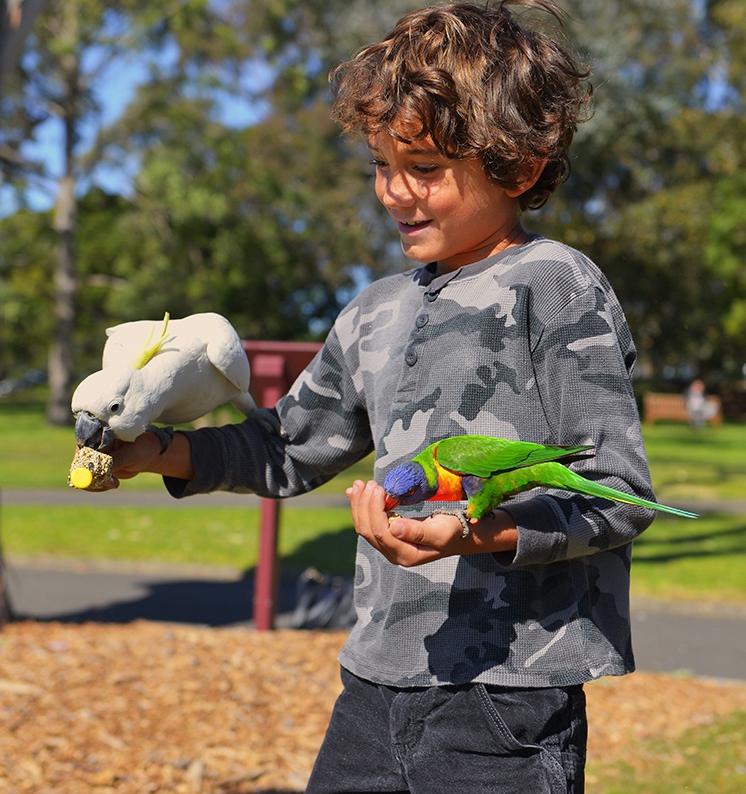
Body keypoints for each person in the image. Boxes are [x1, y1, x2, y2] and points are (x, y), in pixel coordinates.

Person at [106, 2, 660, 791]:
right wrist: (156, 449)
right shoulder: (374, 310)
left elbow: (620, 492)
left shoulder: (556, 287)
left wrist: (480, 532)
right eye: (379, 164)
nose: (394, 192)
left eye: (425, 169)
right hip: (373, 686)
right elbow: (286, 446)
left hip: (507, 702)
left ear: (522, 164)